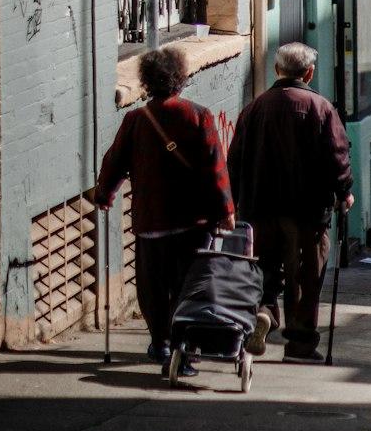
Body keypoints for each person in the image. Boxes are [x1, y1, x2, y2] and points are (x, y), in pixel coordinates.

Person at [96, 46, 234, 374]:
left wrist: (105, 194)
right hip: (193, 221)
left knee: (152, 287)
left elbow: (114, 162)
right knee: (190, 286)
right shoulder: (198, 115)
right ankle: (182, 350)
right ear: (180, 79)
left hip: (151, 221)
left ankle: (160, 342)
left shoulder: (135, 120)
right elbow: (216, 167)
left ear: (147, 82)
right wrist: (226, 209)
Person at [227, 42, 354, 363]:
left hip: (258, 209)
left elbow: (235, 161)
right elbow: (337, 157)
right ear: (309, 73)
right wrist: (344, 192)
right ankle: (299, 345)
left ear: (276, 70)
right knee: (305, 279)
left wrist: (234, 202)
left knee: (262, 270)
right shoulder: (322, 108)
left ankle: (264, 312)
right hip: (306, 213)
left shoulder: (253, 109)